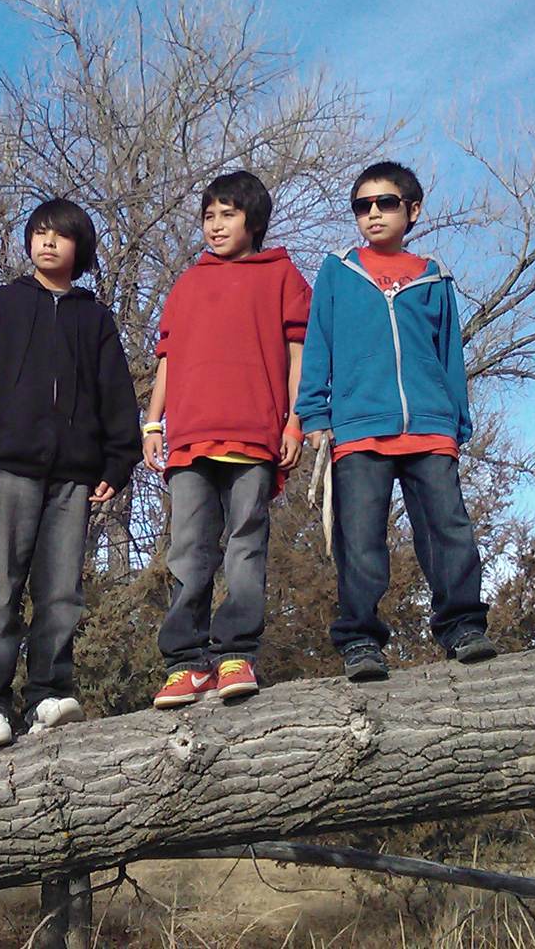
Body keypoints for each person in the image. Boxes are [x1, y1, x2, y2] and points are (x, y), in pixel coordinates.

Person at [295, 161, 495, 682]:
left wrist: (458, 420)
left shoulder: (434, 275)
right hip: (359, 427)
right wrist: (315, 413)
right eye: (363, 206)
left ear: (412, 209)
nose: (374, 214)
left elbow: (450, 353)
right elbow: (318, 346)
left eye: (385, 203)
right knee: (359, 540)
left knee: (448, 529)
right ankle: (361, 640)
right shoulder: (338, 270)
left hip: (430, 426)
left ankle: (462, 628)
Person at [0, 198, 141, 750]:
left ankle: (47, 697)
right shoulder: (1, 304)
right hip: (7, 469)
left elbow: (117, 396)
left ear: (79, 246)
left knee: (61, 592)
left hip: (72, 479)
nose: (47, 242)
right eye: (38, 232)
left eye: (59, 234)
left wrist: (118, 462)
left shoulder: (94, 316)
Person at [145, 170, 310, 708]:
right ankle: (185, 664)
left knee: (245, 542)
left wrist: (294, 421)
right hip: (190, 435)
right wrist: (153, 423)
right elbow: (167, 358)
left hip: (255, 432)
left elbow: (297, 356)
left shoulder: (282, 275)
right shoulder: (188, 283)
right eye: (209, 216)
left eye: (228, 214)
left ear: (253, 220)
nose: (216, 226)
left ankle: (236, 653)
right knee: (188, 549)